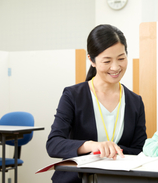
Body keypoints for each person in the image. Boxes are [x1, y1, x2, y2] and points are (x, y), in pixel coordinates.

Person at [46, 24, 147, 183]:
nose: (115, 67)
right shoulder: (73, 95)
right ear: (91, 60)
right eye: (107, 61)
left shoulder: (135, 101)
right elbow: (54, 144)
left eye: (121, 58)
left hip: (118, 180)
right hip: (77, 180)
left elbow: (140, 149)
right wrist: (92, 146)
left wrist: (113, 149)